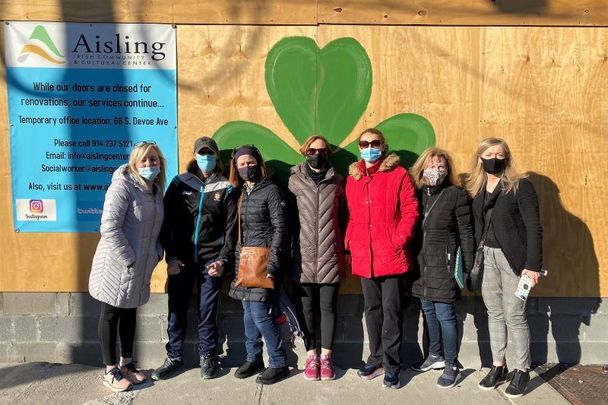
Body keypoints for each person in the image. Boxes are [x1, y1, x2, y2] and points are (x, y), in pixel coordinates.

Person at [151, 137, 237, 380]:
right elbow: (166, 223)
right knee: (176, 309)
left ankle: (208, 356)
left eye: (210, 153)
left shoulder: (226, 187)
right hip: (182, 260)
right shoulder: (180, 183)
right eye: (202, 152)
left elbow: (231, 230)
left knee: (207, 310)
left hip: (211, 261)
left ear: (217, 157)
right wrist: (171, 258)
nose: (206, 157)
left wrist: (223, 260)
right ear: (195, 155)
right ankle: (174, 356)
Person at [466, 137, 542, 398]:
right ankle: (498, 366)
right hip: (486, 257)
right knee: (494, 313)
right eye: (489, 153)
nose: (494, 158)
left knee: (514, 314)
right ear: (480, 158)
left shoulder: (520, 186)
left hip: (514, 261)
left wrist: (532, 265)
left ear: (506, 157)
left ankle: (522, 369)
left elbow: (534, 227)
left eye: (499, 154)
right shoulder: (476, 187)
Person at [88, 141, 166, 392]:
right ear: (134, 163)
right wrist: (129, 258)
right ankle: (110, 369)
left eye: (153, 160)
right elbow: (109, 227)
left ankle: (128, 365)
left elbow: (154, 228)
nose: (149, 164)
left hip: (139, 265)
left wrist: (155, 253)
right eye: (143, 160)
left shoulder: (155, 190)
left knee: (130, 312)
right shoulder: (122, 186)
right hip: (116, 264)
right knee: (111, 314)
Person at [344, 128, 419, 388]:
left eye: (374, 143)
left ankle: (392, 364)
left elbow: (411, 211)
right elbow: (353, 215)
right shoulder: (353, 179)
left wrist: (398, 240)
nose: (369, 147)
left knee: (391, 311)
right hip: (365, 255)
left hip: (391, 255)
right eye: (364, 143)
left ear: (383, 146)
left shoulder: (398, 175)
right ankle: (375, 358)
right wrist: (350, 241)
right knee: (372, 310)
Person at [409, 147, 475, 388]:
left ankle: (452, 364)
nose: (436, 170)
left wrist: (467, 267)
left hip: (444, 265)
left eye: (441, 166)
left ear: (447, 170)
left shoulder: (456, 194)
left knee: (445, 315)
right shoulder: (417, 194)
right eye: (431, 165)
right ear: (422, 168)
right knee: (428, 312)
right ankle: (434, 354)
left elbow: (466, 232)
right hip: (421, 266)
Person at [228, 145, 290, 385]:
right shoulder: (241, 191)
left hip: (263, 261)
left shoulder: (271, 190)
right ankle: (254, 357)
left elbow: (280, 229)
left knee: (259, 314)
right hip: (243, 261)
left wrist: (273, 263)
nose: (246, 167)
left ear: (259, 163)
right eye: (241, 163)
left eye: (250, 162)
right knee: (247, 314)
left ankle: (278, 361)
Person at [288, 135, 346, 381]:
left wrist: (345, 249)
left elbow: (344, 218)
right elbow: (288, 219)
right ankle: (311, 355)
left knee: (328, 308)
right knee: (306, 309)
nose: (317, 154)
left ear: (328, 154)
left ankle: (326, 358)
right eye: (311, 150)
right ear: (304, 152)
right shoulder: (293, 181)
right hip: (302, 256)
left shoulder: (338, 181)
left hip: (330, 255)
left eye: (322, 150)